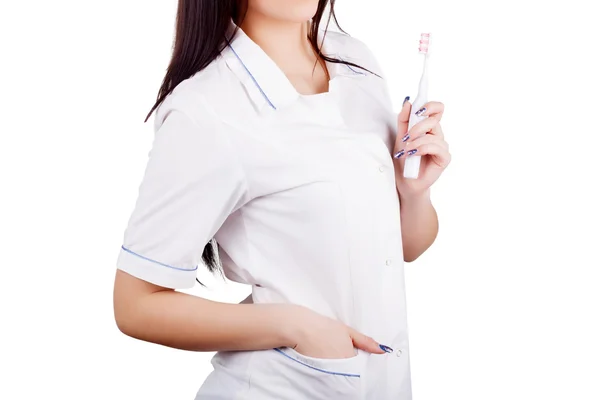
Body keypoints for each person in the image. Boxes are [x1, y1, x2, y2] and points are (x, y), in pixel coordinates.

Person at [112, 0, 451, 399]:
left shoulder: (354, 60)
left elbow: (405, 248)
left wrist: (414, 193)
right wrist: (296, 327)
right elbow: (135, 305)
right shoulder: (205, 108)